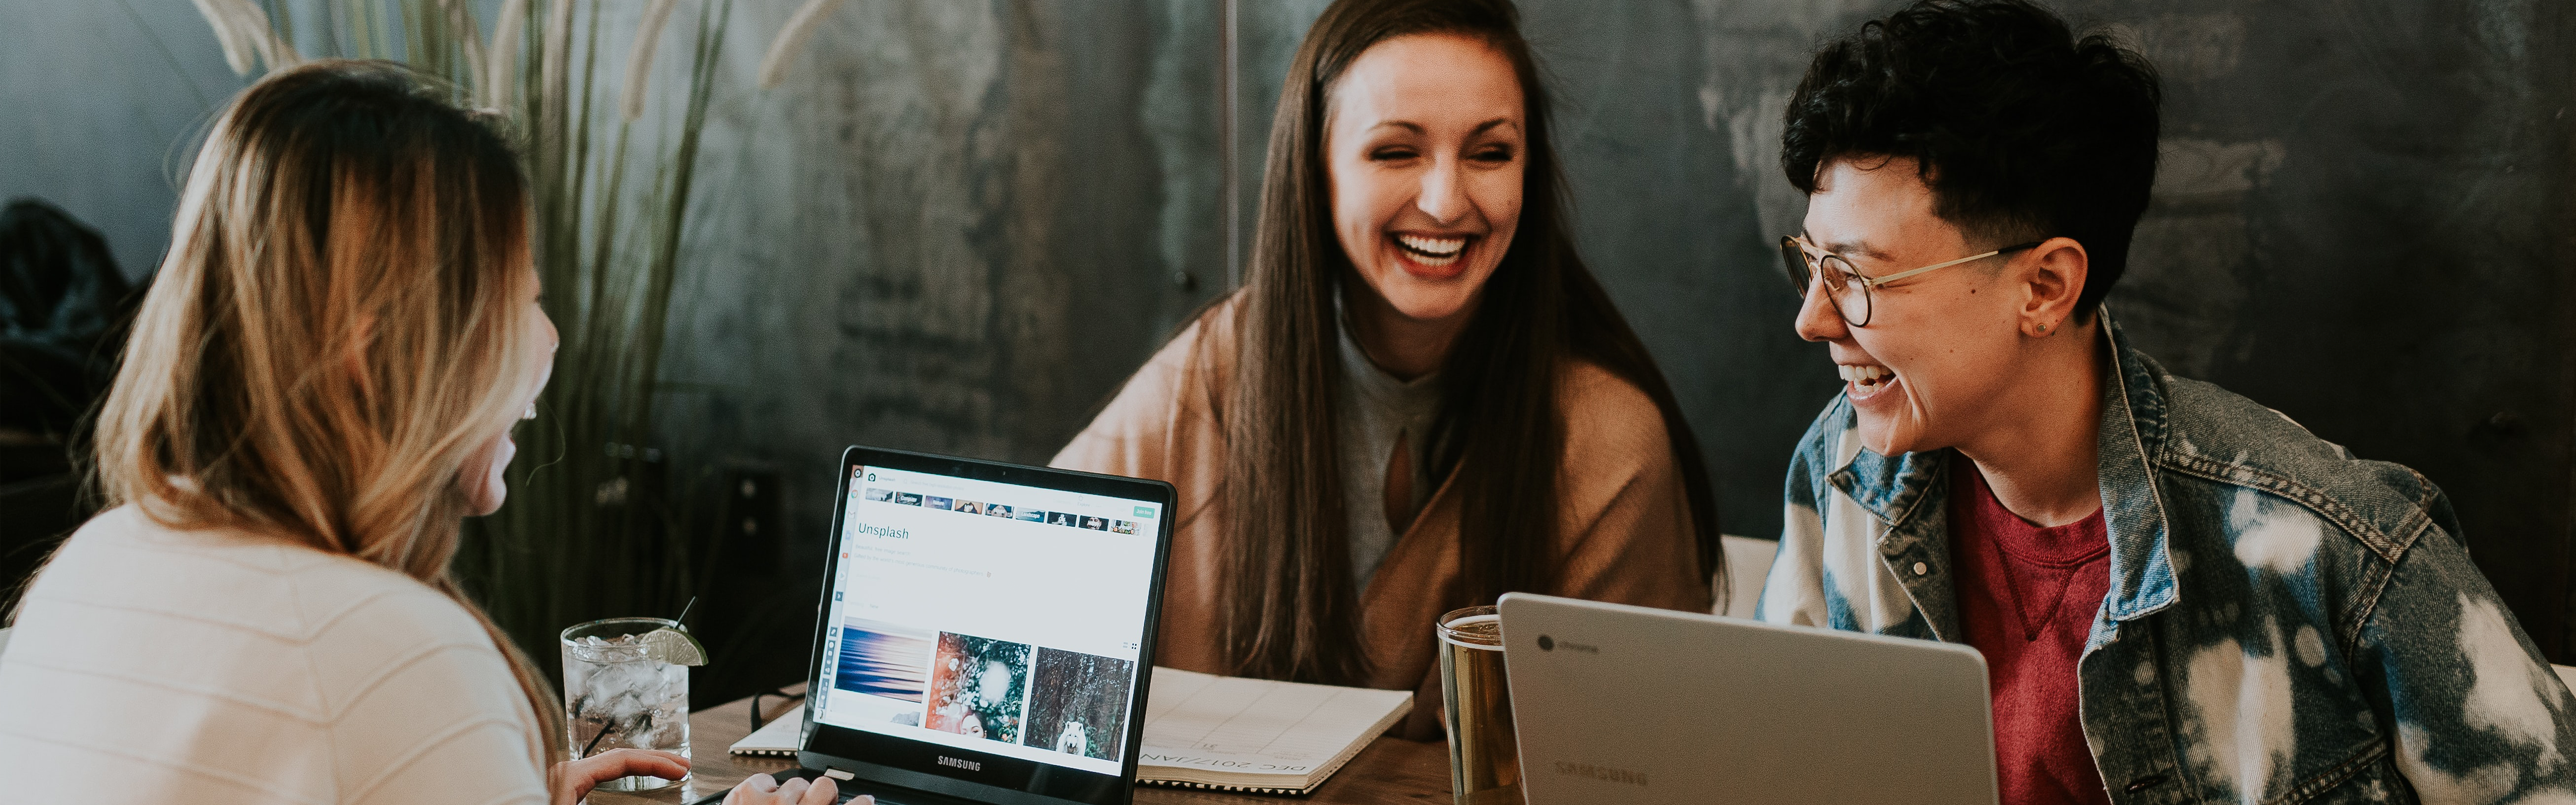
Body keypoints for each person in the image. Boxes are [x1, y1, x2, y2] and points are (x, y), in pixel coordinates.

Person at [1754, 1, 2576, 802]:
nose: (1812, 318)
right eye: (1810, 263)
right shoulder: (1843, 470)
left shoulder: (2330, 548)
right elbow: (1765, 758)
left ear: (2043, 287)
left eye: (1858, 278)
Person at [0, 62, 850, 805]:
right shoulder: (390, 657)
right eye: (519, 302)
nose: (549, 338)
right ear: (378, 354)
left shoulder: (84, 570)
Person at [1054, 0, 1717, 739]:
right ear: (1316, 169)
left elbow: (1626, 758)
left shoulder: (1609, 443)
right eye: (1395, 152)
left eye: (1489, 153)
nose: (1444, 201)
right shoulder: (1218, 365)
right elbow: (1029, 581)